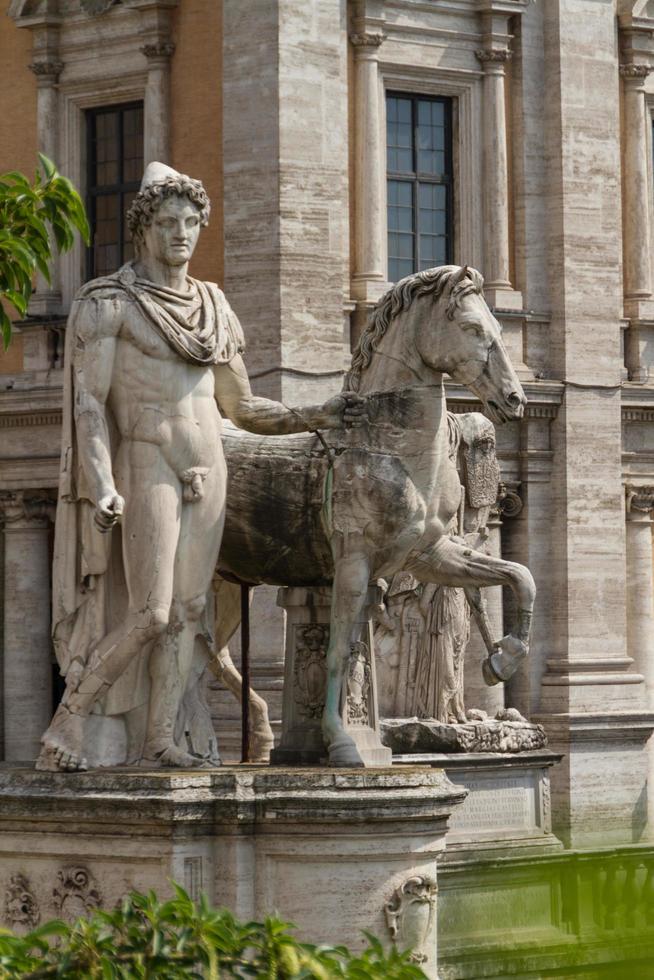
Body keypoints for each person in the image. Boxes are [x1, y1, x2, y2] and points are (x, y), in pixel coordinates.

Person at [36, 162, 364, 772]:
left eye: (191, 222)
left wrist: (314, 414)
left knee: (189, 614)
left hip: (209, 465)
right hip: (146, 457)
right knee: (150, 612)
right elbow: (89, 403)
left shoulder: (213, 307)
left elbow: (240, 407)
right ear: (144, 228)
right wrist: (100, 482)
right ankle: (71, 716)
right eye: (168, 222)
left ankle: (161, 738)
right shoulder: (112, 304)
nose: (181, 233)